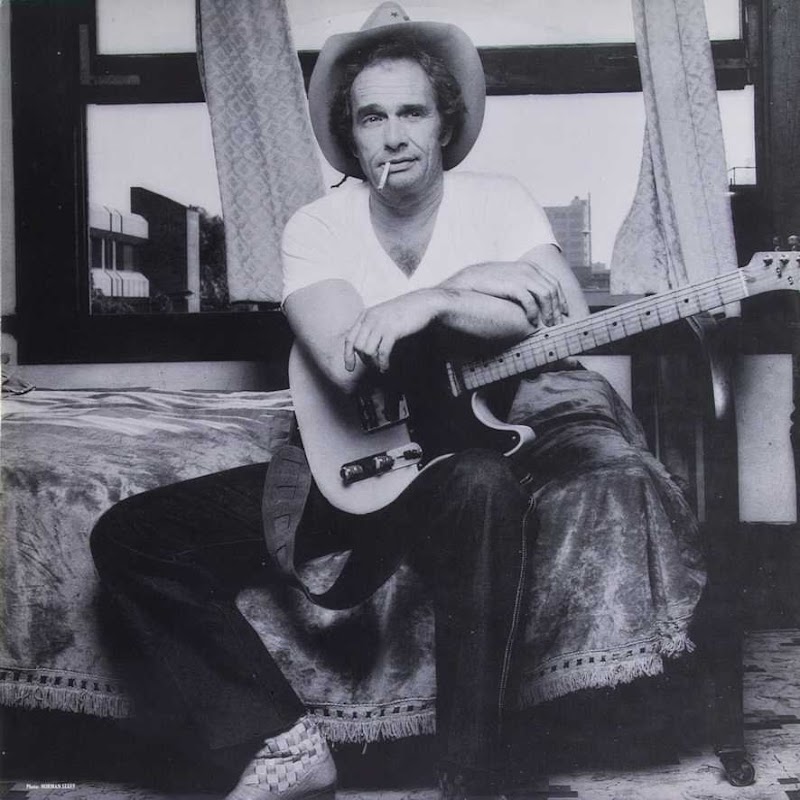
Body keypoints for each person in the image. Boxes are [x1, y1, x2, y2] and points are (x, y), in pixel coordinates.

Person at [90, 4, 706, 799]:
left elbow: (564, 320)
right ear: (351, 136)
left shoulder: (499, 201)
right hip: (348, 469)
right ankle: (282, 739)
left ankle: (471, 782)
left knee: (483, 483)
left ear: (445, 122)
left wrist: (432, 301)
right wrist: (472, 288)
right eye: (371, 117)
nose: (394, 136)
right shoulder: (317, 225)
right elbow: (347, 362)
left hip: (455, 466)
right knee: (131, 535)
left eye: (412, 112)